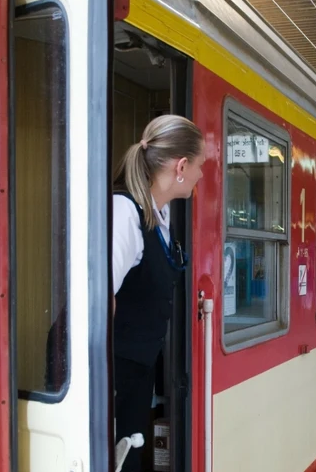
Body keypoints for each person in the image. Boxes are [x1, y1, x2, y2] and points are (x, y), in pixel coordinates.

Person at [111, 115, 204, 472]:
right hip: (111, 371)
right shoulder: (124, 213)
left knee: (130, 456)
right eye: (199, 165)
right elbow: (97, 301)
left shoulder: (159, 216)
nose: (200, 175)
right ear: (181, 166)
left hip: (134, 368)